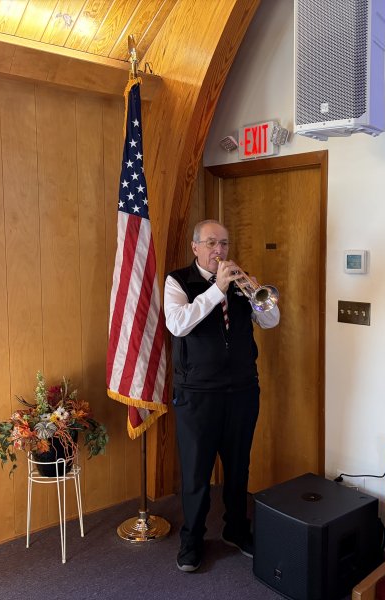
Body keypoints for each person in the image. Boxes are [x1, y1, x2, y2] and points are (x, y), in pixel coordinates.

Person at [164, 219, 280, 572]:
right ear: (196, 247)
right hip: (197, 394)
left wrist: (256, 295)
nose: (220, 251)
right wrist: (216, 289)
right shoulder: (178, 281)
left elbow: (272, 320)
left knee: (238, 466)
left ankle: (236, 529)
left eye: (225, 244)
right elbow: (178, 323)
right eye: (212, 243)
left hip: (242, 390)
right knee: (197, 472)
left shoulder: (242, 282)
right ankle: (192, 539)